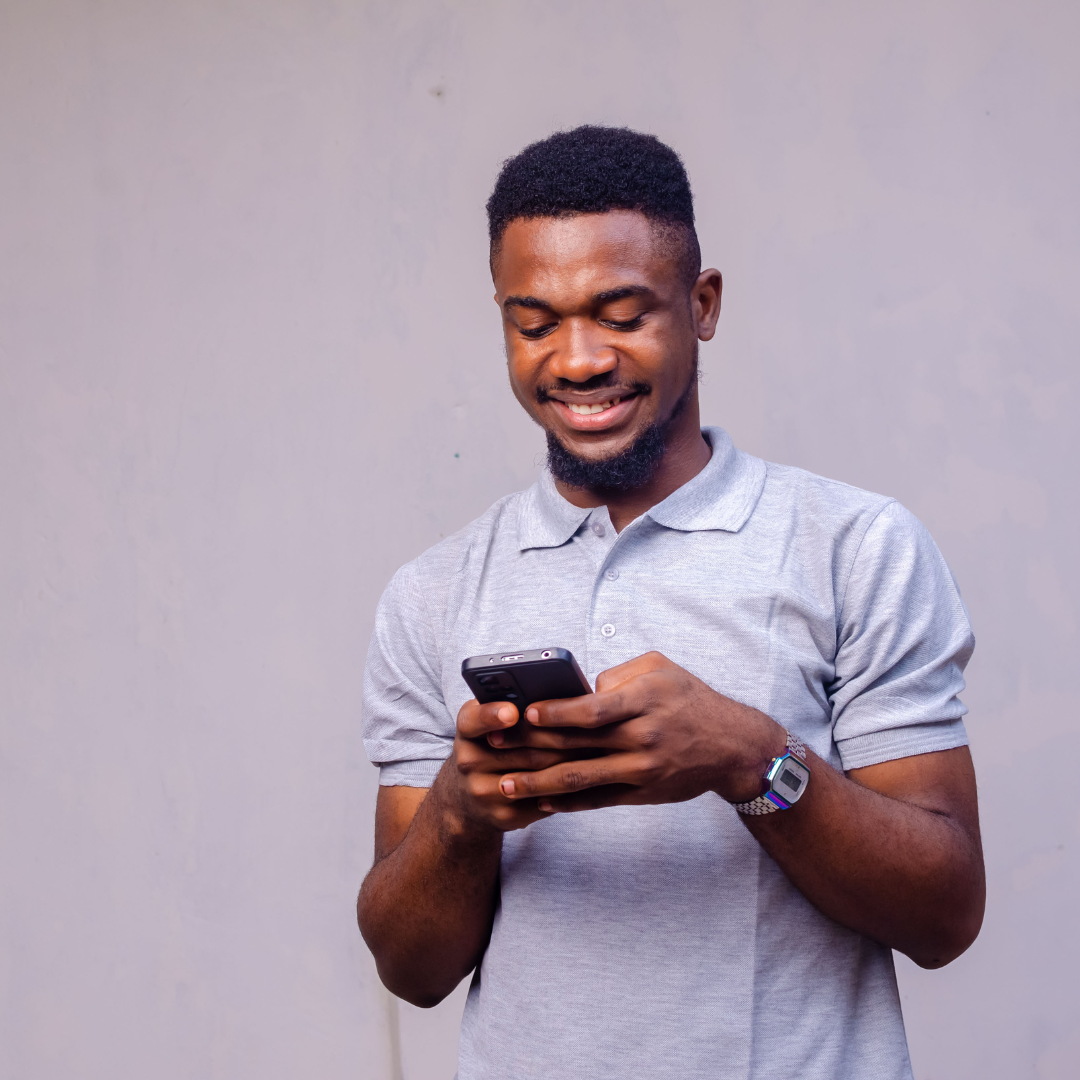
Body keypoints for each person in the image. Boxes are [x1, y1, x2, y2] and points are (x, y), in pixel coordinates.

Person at [358, 125, 984, 1080]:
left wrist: (749, 756)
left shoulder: (855, 546)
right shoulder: (432, 593)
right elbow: (413, 971)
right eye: (534, 323)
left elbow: (944, 915)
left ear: (702, 305)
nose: (575, 360)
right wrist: (461, 810)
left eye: (620, 313)